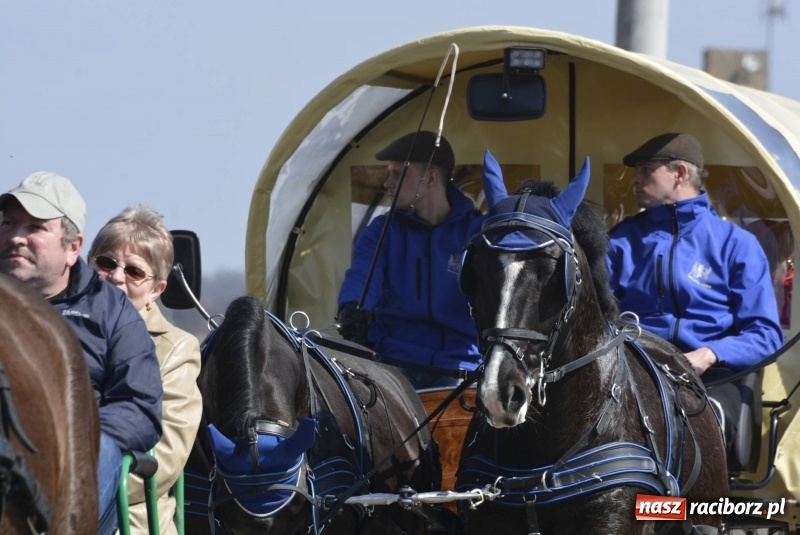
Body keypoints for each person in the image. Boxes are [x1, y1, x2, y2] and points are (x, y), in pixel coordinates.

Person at [0, 172, 163, 535]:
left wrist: (70, 436)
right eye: (9, 222)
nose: (15, 237)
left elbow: (139, 406)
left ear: (73, 248)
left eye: (35, 227)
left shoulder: (112, 312)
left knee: (99, 451)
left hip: (80, 448)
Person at [605, 133, 784, 450]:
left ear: (680, 173)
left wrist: (710, 353)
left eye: (646, 169)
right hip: (632, 371)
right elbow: (597, 313)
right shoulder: (621, 240)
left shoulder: (735, 244)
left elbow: (765, 335)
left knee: (691, 426)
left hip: (712, 379)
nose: (635, 179)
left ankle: (673, 501)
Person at [337, 131, 483, 389]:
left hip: (461, 365)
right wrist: (352, 309)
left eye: (397, 174)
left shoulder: (477, 233)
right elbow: (362, 275)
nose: (387, 183)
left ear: (431, 179)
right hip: (394, 362)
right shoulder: (382, 230)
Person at [88, 205, 202, 535]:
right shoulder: (56, 327)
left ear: (156, 290)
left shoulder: (177, 349)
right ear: (88, 265)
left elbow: (164, 458)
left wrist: (74, 490)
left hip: (127, 520)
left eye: (135, 272)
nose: (117, 277)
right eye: (106, 263)